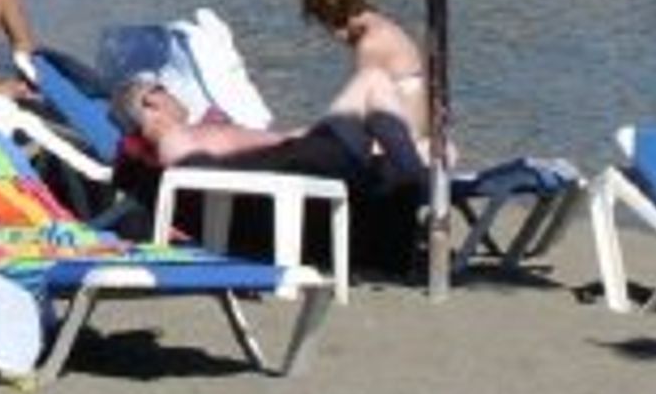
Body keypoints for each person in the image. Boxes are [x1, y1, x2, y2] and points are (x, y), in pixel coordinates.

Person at [110, 75, 429, 270]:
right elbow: (196, 173)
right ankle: (417, 181)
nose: (175, 94)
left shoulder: (190, 134)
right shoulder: (174, 138)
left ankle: (413, 174)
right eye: (165, 88)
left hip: (301, 158)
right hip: (301, 165)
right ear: (152, 100)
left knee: (421, 138)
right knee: (372, 82)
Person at [300, 0, 432, 157]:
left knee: (301, 142)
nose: (329, 35)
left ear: (331, 18)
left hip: (399, 146)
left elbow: (360, 113)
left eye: (323, 24)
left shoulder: (370, 44)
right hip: (413, 134)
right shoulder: (384, 26)